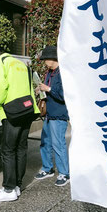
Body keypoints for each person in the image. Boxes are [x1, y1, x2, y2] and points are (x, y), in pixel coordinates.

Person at [0, 50, 39, 202]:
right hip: (27, 110)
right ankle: (17, 185)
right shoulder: (20, 64)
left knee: (8, 150)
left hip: (12, 112)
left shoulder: (1, 63)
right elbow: (29, 87)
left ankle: (9, 189)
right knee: (21, 148)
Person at [34, 45, 70, 186]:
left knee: (58, 144)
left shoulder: (64, 73)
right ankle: (47, 168)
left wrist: (47, 88)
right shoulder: (49, 72)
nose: (44, 62)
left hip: (59, 114)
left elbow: (64, 95)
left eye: (45, 59)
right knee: (45, 142)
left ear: (52, 58)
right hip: (49, 113)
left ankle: (64, 173)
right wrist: (41, 90)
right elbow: (49, 90)